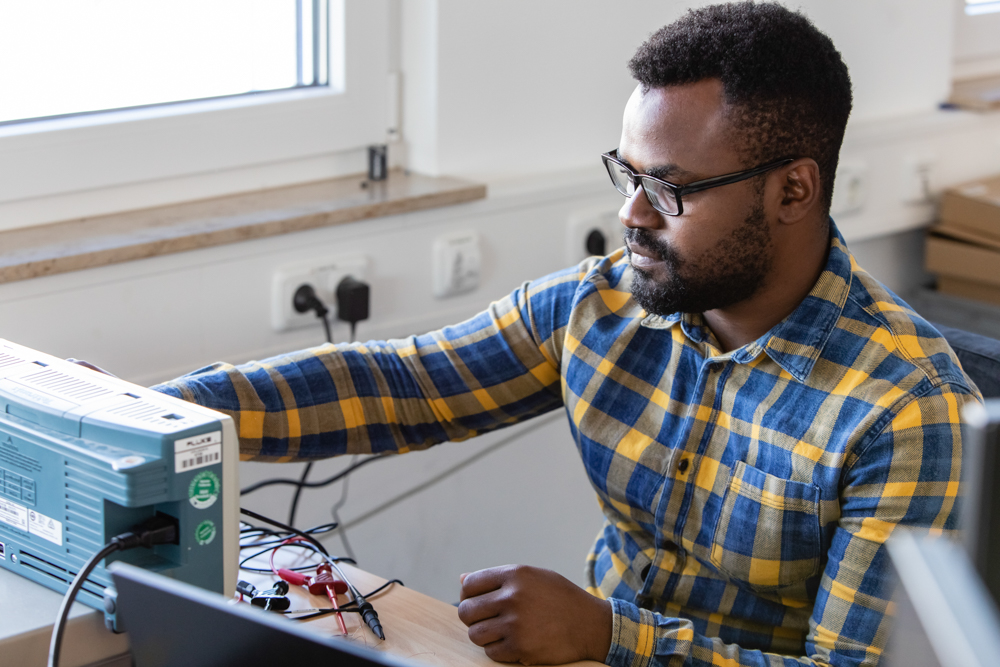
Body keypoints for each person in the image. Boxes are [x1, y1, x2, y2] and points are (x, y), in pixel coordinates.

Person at [152, 4, 980, 666]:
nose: (631, 214)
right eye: (628, 173)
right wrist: (154, 417)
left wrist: (609, 635)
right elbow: (397, 385)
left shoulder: (906, 412)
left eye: (670, 189)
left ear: (794, 190)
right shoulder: (607, 305)